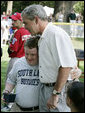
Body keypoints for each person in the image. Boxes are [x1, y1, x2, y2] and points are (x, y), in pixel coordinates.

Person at [21, 4, 78, 112]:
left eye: (26, 23)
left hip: (58, 90)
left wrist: (55, 94)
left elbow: (65, 67)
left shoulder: (55, 34)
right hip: (46, 88)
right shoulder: (43, 36)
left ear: (36, 20)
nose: (25, 27)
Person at [2, 36, 40, 112]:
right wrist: (7, 91)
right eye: (26, 54)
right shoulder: (19, 63)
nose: (29, 57)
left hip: (36, 109)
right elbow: (11, 80)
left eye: (33, 54)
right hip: (17, 108)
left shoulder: (44, 65)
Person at [6, 12, 31, 79]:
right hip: (26, 59)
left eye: (15, 20)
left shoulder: (18, 32)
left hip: (16, 59)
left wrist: (9, 48)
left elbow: (13, 49)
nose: (12, 22)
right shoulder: (28, 31)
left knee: (9, 81)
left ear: (21, 21)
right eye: (12, 20)